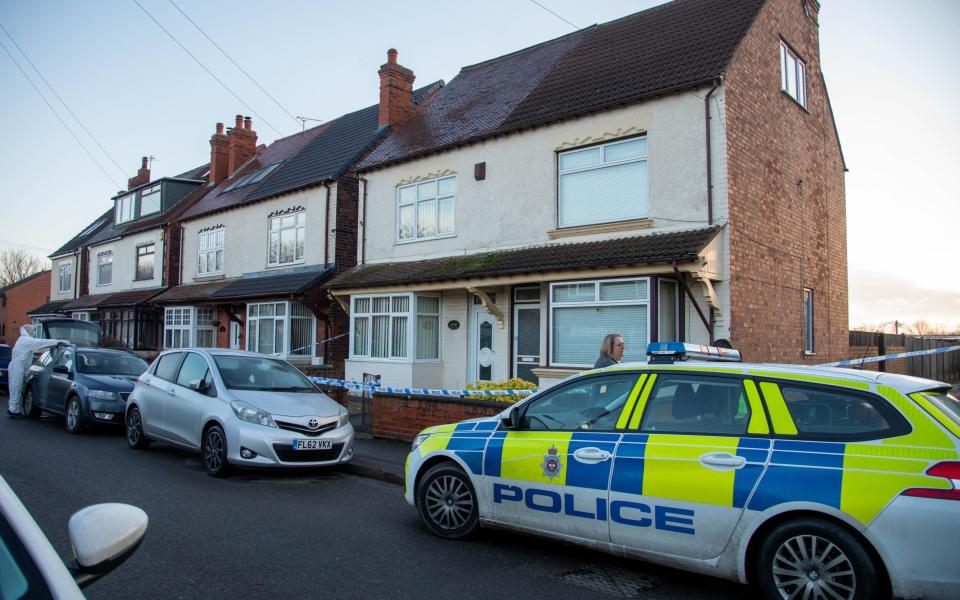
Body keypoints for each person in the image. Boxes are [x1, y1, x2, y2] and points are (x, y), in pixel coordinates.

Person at [7, 325, 64, 419]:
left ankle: (14, 409)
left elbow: (37, 348)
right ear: (28, 331)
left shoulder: (24, 340)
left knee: (17, 388)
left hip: (18, 367)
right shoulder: (26, 340)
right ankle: (13, 410)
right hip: (17, 367)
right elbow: (40, 342)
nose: (33, 332)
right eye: (32, 331)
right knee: (16, 388)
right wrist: (56, 342)